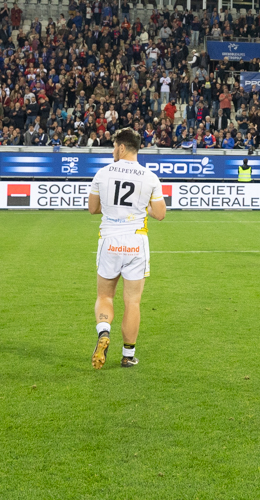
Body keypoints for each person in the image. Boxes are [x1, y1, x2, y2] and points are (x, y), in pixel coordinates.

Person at [88, 127, 167, 369]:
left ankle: (103, 331)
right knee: (132, 302)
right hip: (136, 242)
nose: (113, 150)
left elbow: (93, 208)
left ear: (122, 147)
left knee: (104, 296)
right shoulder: (150, 177)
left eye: (114, 146)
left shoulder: (102, 173)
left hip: (110, 241)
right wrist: (140, 208)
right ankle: (127, 355)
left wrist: (114, 210)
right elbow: (160, 214)